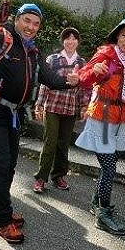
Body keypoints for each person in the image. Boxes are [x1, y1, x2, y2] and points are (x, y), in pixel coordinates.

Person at [0, 3, 79, 244]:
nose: (31, 26)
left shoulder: (32, 51)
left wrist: (71, 81)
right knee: (1, 165)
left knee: (9, 166)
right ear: (17, 20)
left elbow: (50, 78)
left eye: (36, 23)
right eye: (27, 20)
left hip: (15, 115)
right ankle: (3, 220)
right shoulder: (2, 37)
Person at [75, 18, 125, 236]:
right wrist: (94, 71)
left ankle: (96, 202)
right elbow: (82, 78)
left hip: (121, 119)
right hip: (102, 116)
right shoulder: (105, 54)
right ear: (117, 36)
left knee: (110, 163)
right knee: (109, 167)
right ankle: (103, 213)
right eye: (124, 35)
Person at [33, 27, 89, 193]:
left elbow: (84, 88)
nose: (70, 41)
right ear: (63, 41)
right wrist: (39, 105)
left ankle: (58, 176)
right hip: (52, 106)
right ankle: (41, 178)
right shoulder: (52, 59)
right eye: (67, 38)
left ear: (78, 41)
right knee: (50, 142)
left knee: (63, 144)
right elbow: (44, 83)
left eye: (74, 38)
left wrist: (84, 106)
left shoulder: (82, 63)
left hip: (70, 108)